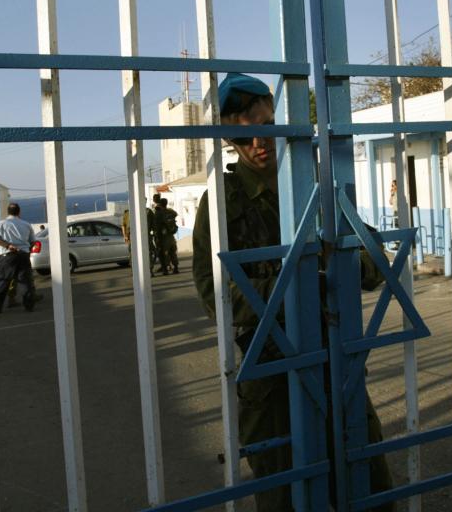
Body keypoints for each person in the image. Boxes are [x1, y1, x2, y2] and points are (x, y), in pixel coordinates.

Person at [192, 73, 392, 511]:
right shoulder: (222, 204)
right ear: (229, 140)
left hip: (334, 360)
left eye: (265, 127)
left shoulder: (316, 189)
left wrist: (343, 258)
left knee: (368, 485)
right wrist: (307, 280)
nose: (259, 144)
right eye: (244, 138)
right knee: (287, 496)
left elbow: (374, 264)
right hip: (270, 373)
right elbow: (216, 295)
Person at [0, 203, 37, 313]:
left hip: (8, 256)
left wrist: (8, 246)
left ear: (8, 212)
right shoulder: (26, 225)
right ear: (19, 212)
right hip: (24, 255)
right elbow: (33, 241)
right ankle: (29, 306)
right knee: (25, 282)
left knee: (3, 281)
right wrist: (27, 251)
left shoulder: (0, 224)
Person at [154, 197, 179, 275]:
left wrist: (157, 238)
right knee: (173, 252)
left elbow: (157, 227)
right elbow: (175, 214)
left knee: (162, 253)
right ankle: (176, 268)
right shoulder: (170, 212)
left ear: (160, 204)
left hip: (163, 237)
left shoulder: (159, 213)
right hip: (171, 236)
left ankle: (165, 270)